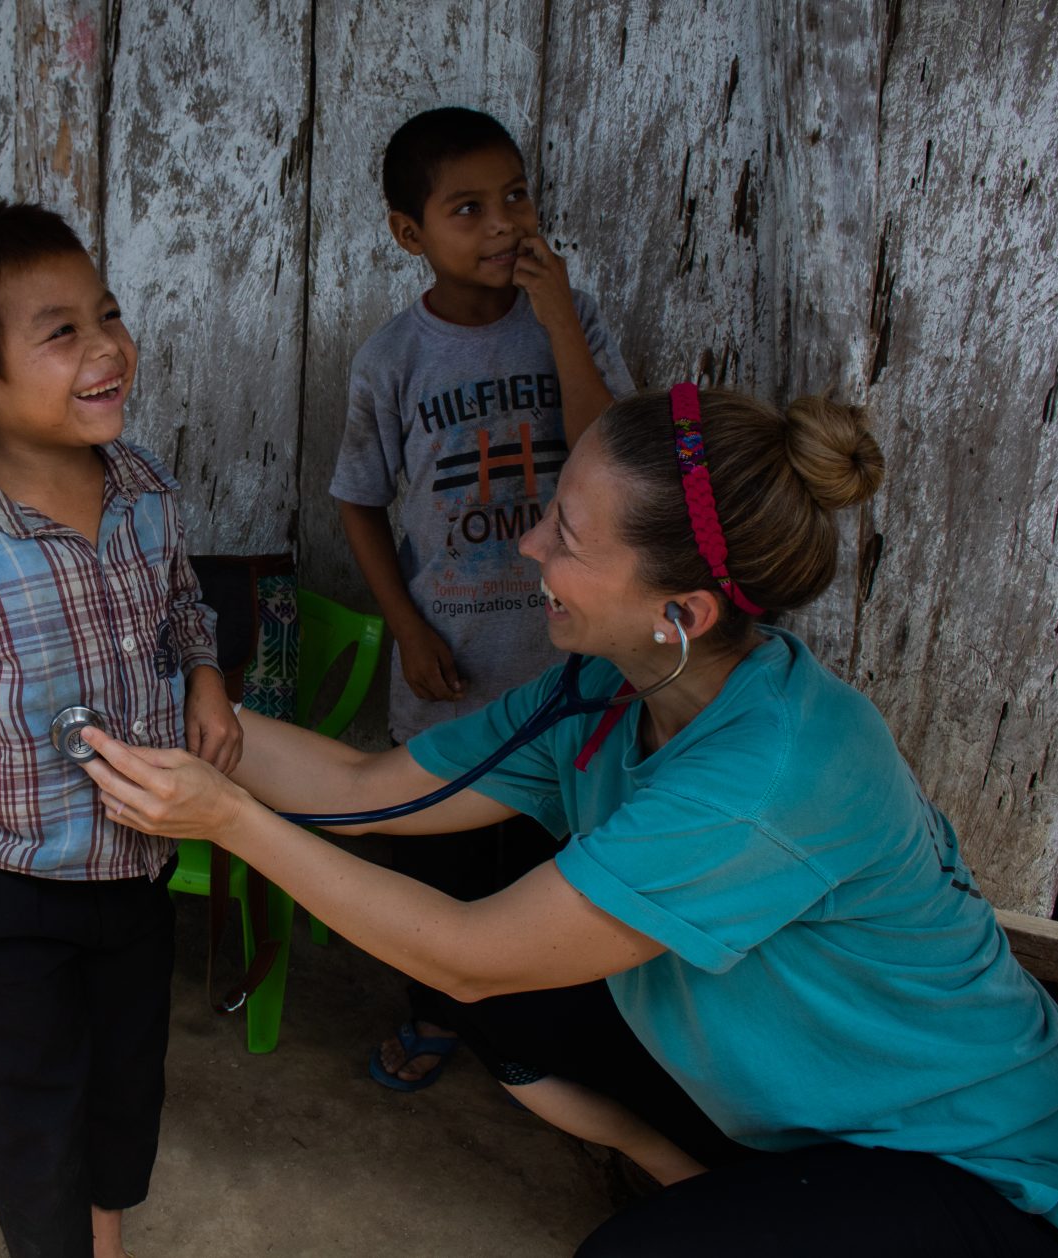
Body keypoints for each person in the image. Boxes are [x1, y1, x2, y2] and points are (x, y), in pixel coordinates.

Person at [82, 385, 1058, 1255]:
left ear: (683, 612)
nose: (530, 542)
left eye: (568, 537)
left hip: (980, 1165)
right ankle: (686, 1171)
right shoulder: (610, 686)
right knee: (516, 1006)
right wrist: (141, 710)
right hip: (813, 1108)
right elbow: (365, 785)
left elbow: (466, 956)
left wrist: (229, 820)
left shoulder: (767, 771)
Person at [0, 201, 240, 1258]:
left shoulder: (145, 488)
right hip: (11, 884)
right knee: (35, 1100)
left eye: (107, 314)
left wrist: (206, 677)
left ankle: (102, 1239)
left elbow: (181, 605)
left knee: (126, 1081)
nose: (107, 346)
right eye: (62, 332)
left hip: (138, 865)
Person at [331, 106, 633, 1089]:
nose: (504, 223)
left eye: (516, 196)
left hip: (568, 665)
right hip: (452, 666)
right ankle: (433, 1013)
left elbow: (610, 455)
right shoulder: (393, 359)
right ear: (408, 233)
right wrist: (406, 627)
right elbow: (359, 502)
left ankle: (538, 1042)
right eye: (468, 208)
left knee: (551, 862)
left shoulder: (573, 320)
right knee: (443, 866)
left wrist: (558, 320)